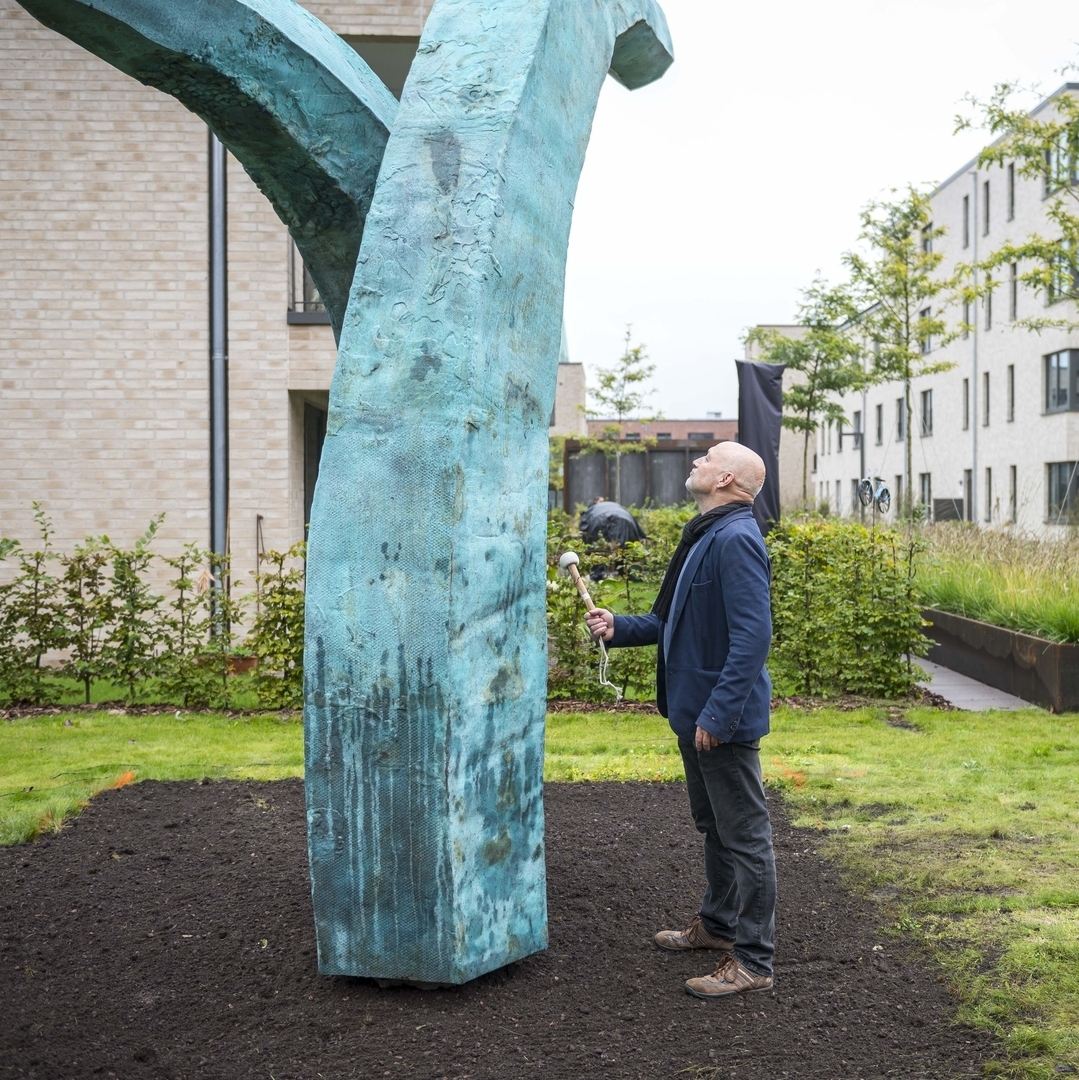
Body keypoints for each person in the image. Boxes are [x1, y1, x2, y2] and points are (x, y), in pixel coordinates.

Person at [585, 441, 776, 999]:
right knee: (715, 828)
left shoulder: (736, 538)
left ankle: (753, 962)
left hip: (720, 721)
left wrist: (719, 713)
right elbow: (672, 621)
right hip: (695, 716)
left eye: (706, 457)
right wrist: (620, 627)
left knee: (746, 839)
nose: (695, 461)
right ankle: (718, 928)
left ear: (725, 478)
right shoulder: (707, 534)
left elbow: (753, 637)